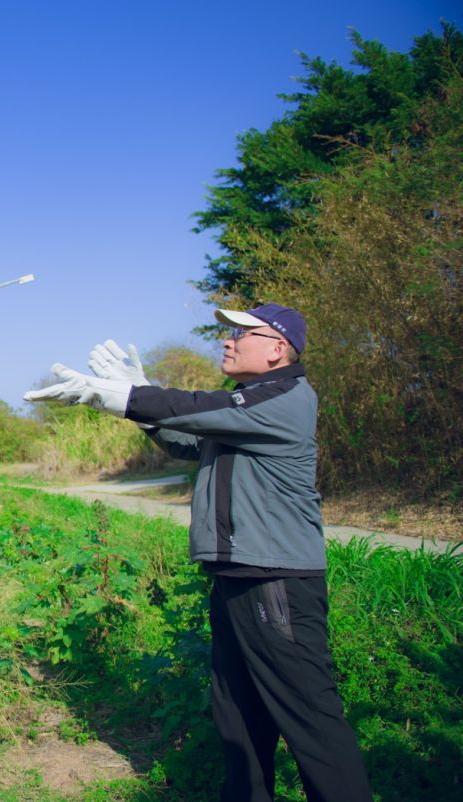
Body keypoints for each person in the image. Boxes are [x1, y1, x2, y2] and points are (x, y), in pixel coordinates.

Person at [24, 303, 372, 802]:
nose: (226, 341)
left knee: (309, 717)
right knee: (238, 714)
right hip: (238, 574)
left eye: (240, 333)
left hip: (275, 581)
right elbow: (188, 438)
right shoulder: (247, 401)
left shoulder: (286, 396)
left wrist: (126, 397)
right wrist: (140, 410)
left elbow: (190, 407)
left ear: (277, 348)